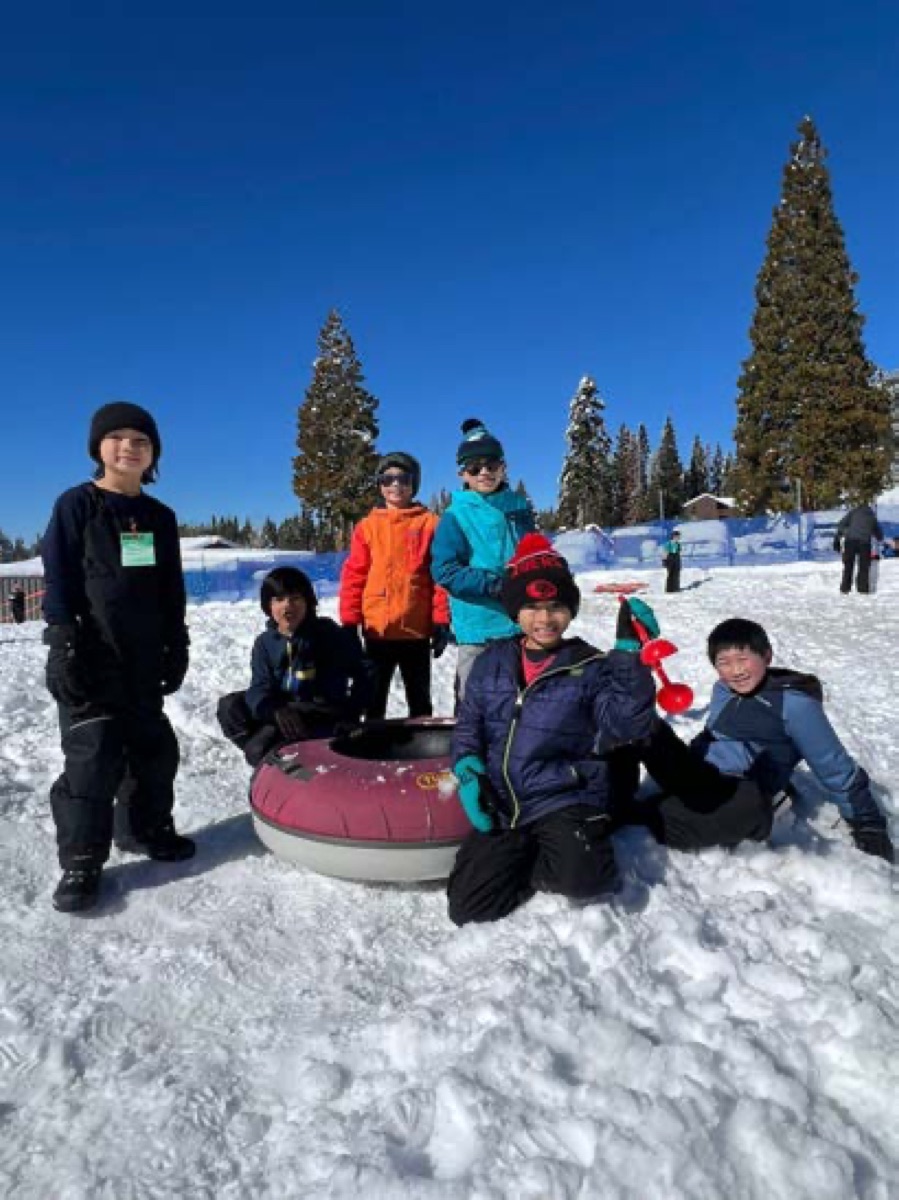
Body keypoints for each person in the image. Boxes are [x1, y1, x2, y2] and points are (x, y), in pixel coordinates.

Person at [446, 533, 657, 925]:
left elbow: (626, 724)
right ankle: (529, 850)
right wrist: (468, 766)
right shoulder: (490, 662)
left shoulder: (592, 666)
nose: (544, 619)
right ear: (515, 611)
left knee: (585, 881)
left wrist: (629, 657)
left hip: (563, 796)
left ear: (570, 610)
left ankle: (555, 851)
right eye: (531, 607)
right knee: (468, 906)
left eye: (556, 606)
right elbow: (468, 724)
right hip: (505, 799)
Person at [42, 401, 193, 913]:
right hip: (90, 655)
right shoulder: (76, 505)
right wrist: (62, 642)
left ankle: (148, 828)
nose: (129, 447)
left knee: (153, 748)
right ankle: (82, 860)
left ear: (153, 456)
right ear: (98, 447)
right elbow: (59, 579)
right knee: (94, 755)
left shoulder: (159, 517)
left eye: (141, 440)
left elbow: (171, 589)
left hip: (145, 657)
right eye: (118, 438)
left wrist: (178, 642)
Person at [619, 617, 894, 863]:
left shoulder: (796, 705)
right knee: (640, 722)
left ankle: (642, 814)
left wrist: (869, 824)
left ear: (767, 656)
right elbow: (714, 734)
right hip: (701, 772)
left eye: (743, 659)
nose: (735, 670)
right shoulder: (723, 690)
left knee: (743, 810)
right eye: (723, 662)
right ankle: (610, 795)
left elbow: (835, 767)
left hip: (743, 790)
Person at [217, 566, 372, 766]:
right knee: (230, 707)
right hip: (284, 712)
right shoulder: (265, 643)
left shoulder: (327, 634)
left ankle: (294, 765)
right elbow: (260, 686)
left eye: (295, 598)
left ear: (308, 602)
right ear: (268, 606)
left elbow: (365, 670)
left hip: (321, 715)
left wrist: (352, 712)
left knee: (258, 749)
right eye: (278, 600)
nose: (287, 606)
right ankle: (282, 761)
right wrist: (274, 710)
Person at [339, 452, 450, 719]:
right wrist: (349, 622)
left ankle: (421, 751)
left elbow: (440, 576)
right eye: (388, 479)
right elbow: (355, 575)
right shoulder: (367, 527)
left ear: (414, 483)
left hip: (416, 631)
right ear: (380, 484)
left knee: (419, 700)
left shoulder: (430, 523)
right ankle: (372, 751)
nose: (396, 485)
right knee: (372, 698)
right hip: (378, 630)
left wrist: (441, 619)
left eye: (403, 478)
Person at [431, 418, 535, 702]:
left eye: (492, 465)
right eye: (475, 468)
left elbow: (534, 550)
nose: (484, 472)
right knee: (473, 706)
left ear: (504, 467)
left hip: (522, 624)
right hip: (479, 630)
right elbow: (445, 570)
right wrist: (495, 586)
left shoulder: (519, 507)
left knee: (521, 705)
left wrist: (551, 569)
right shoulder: (456, 515)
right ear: (462, 474)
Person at [833, 503, 883, 594]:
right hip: (864, 543)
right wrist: (880, 538)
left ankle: (845, 588)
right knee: (864, 567)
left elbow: (841, 524)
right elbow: (878, 533)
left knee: (848, 566)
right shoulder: (872, 516)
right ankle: (863, 589)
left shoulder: (853, 512)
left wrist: (838, 538)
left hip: (850, 541)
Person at [661, 529, 682, 593]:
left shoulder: (678, 544)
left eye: (679, 536)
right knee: (670, 574)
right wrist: (664, 560)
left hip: (676, 558)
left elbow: (679, 552)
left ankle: (676, 588)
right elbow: (665, 552)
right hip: (670, 558)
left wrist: (679, 561)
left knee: (676, 574)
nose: (678, 538)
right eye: (677, 536)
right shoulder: (668, 543)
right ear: (673, 536)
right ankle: (669, 589)